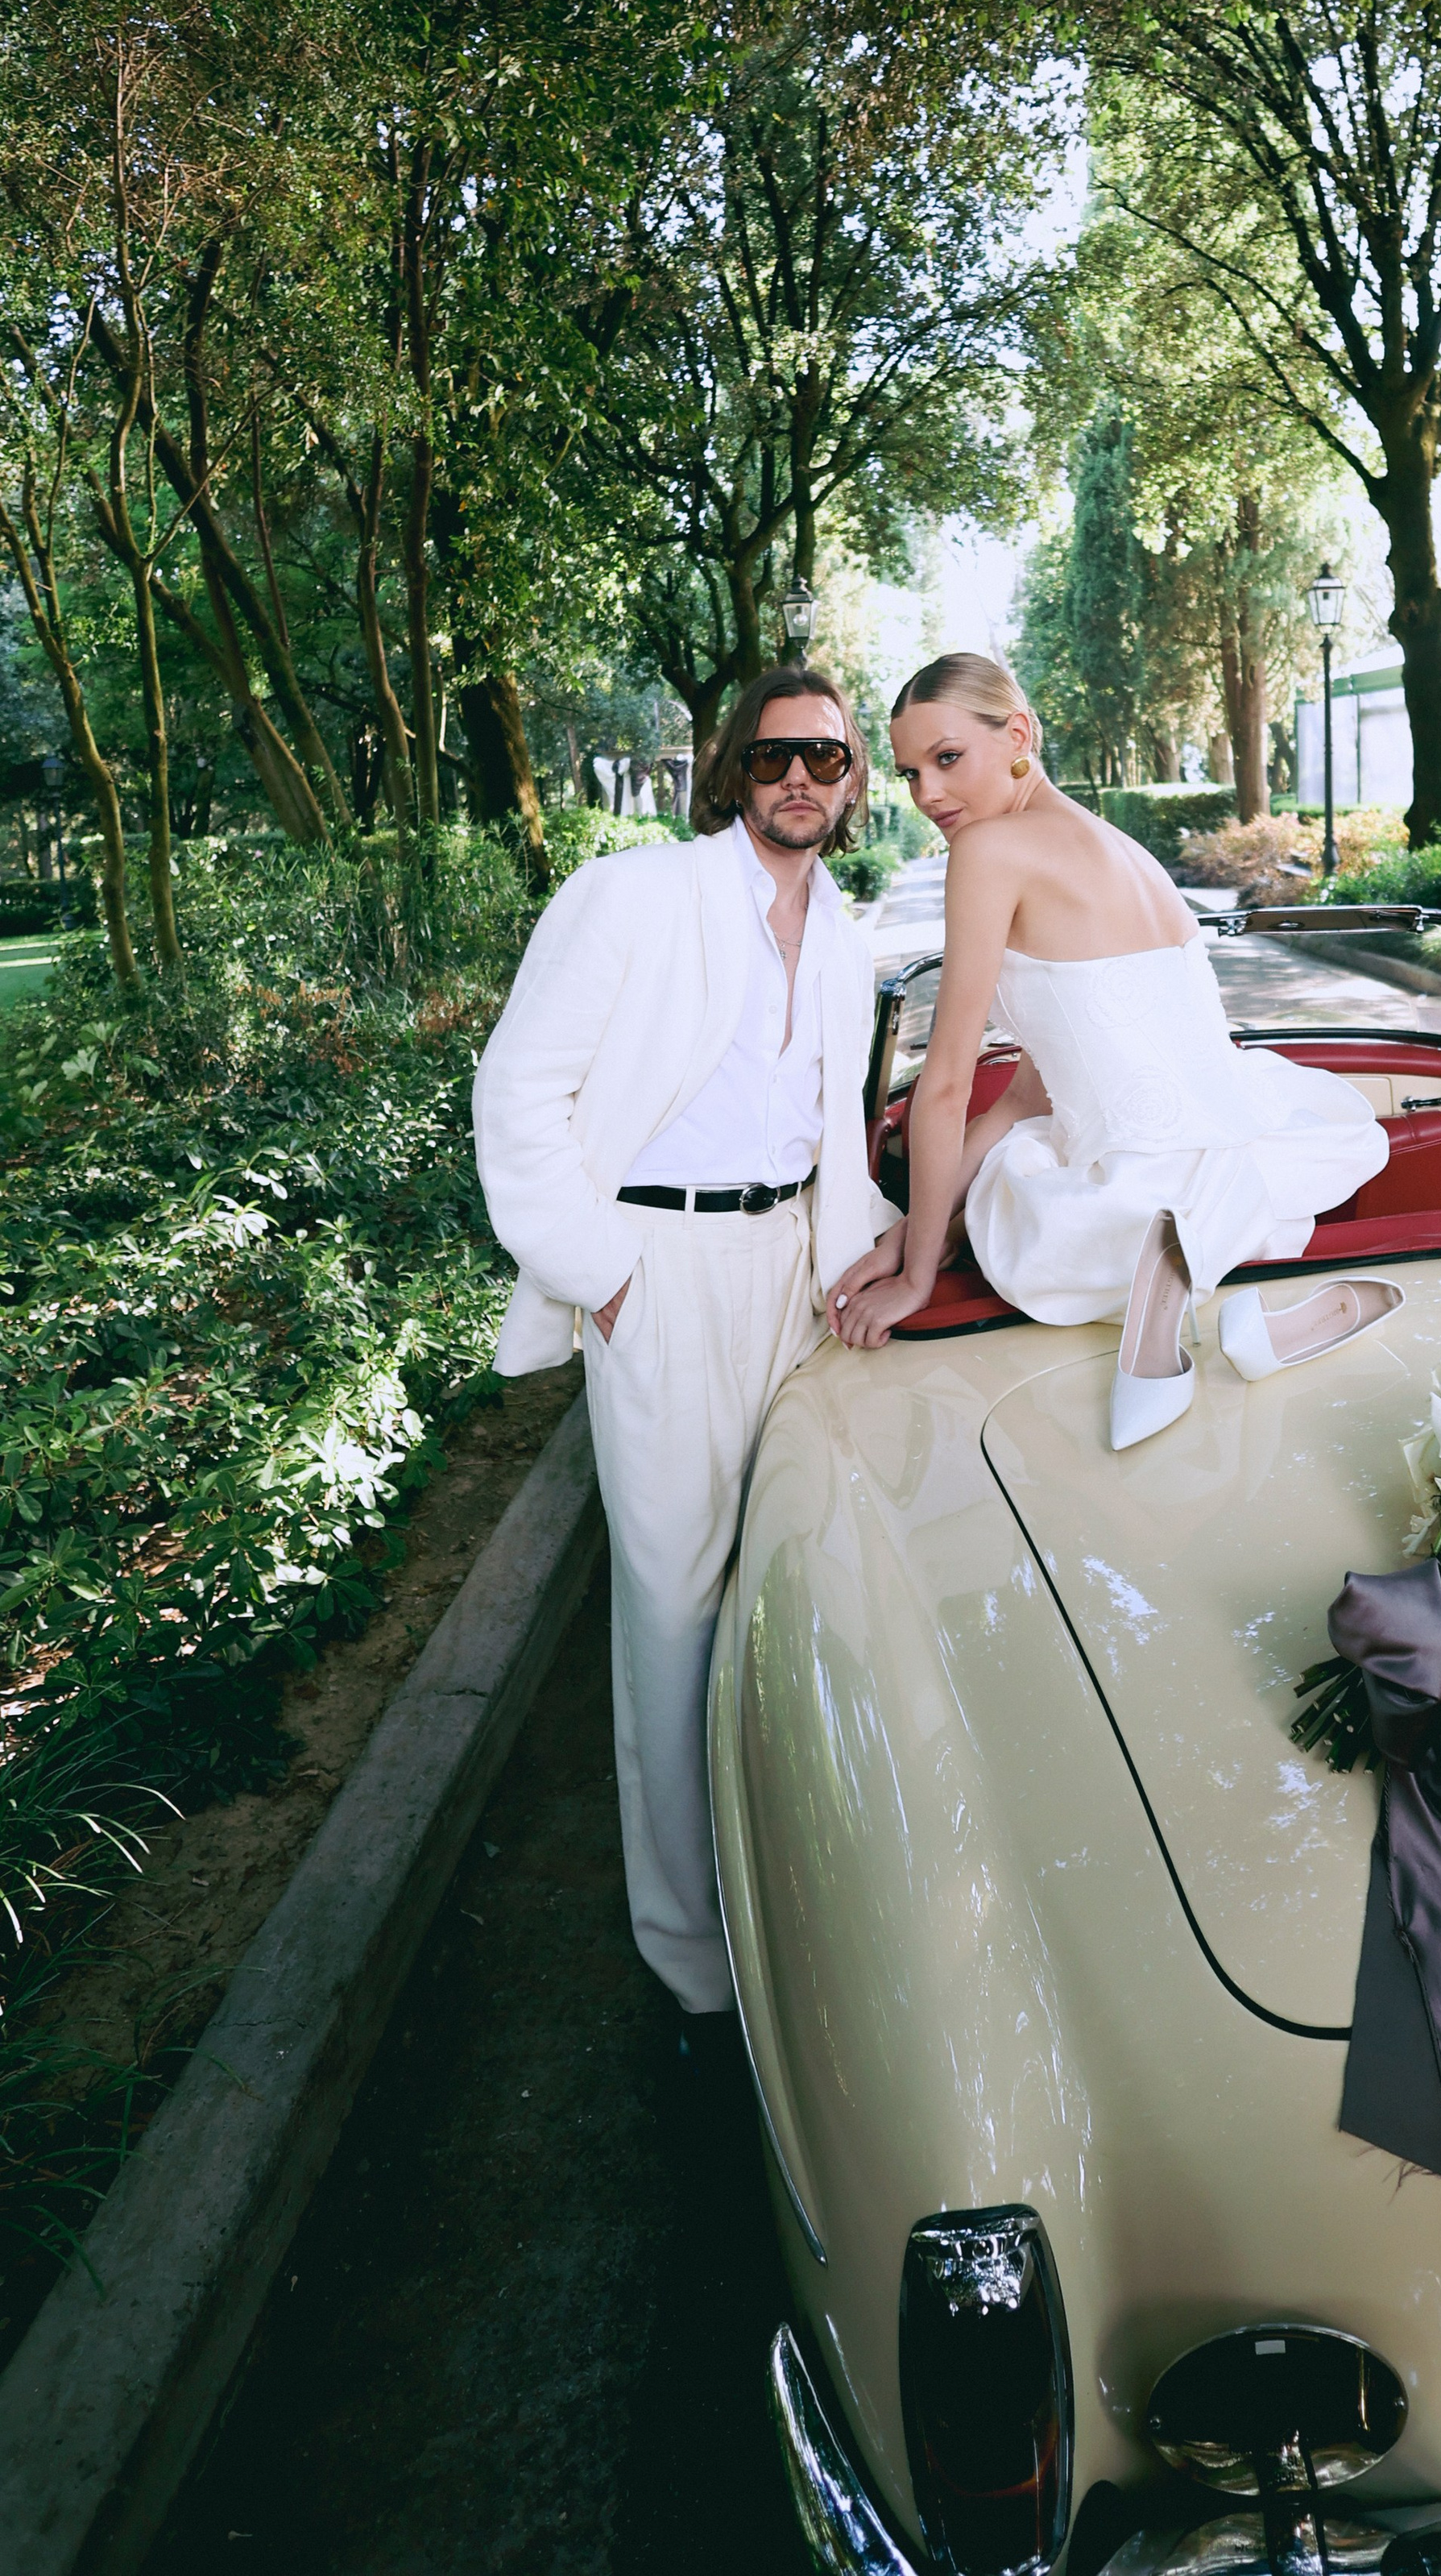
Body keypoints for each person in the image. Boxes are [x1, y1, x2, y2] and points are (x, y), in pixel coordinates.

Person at [473, 667, 901, 2026]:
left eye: (826, 756)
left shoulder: (842, 934)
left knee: (794, 1571)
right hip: (658, 1268)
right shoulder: (632, 897)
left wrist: (865, 1255)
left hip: (795, 1269)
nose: (802, 777)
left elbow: (839, 1125)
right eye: (776, 756)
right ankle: (687, 1944)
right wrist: (600, 1275)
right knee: (670, 1605)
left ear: (851, 780)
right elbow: (517, 1090)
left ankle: (782, 1880)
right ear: (733, 771)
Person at [829, 653, 1394, 1447]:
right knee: (1016, 1148)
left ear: (1017, 734)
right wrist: (916, 1232)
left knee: (1015, 1173)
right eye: (911, 772)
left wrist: (916, 1273)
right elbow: (1027, 1095)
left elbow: (948, 1086)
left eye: (947, 758)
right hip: (1249, 1163)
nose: (927, 793)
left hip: (1134, 1203)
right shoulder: (1127, 851)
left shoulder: (989, 851)